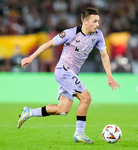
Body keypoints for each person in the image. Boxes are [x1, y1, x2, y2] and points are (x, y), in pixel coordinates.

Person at [17, 7, 120, 144]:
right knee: (86, 98)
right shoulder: (70, 33)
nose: (97, 24)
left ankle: (29, 112)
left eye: (98, 21)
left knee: (62, 110)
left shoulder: (98, 35)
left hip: (72, 74)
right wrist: (31, 57)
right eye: (95, 21)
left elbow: (104, 55)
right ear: (85, 21)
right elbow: (49, 44)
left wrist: (109, 76)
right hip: (64, 71)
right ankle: (79, 133)